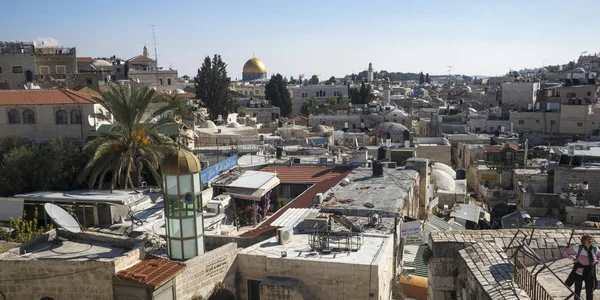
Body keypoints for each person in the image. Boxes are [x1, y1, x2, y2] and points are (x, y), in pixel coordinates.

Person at [565, 233, 600, 299]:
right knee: (577, 291)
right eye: (588, 239)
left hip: (589, 272)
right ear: (584, 241)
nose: (590, 241)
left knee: (589, 291)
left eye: (591, 239)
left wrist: (597, 261)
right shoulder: (578, 247)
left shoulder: (595, 248)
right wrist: (573, 258)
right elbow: (567, 252)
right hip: (579, 273)